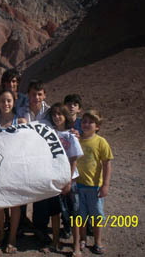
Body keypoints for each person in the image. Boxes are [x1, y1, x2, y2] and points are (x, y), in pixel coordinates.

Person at [45, 103, 84, 255]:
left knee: (74, 214)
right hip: (54, 179)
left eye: (60, 114)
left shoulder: (71, 135)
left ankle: (75, 245)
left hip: (70, 180)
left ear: (66, 116)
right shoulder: (49, 133)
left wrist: (68, 180)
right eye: (54, 114)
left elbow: (74, 159)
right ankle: (55, 241)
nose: (56, 117)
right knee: (55, 213)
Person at [0, 90, 27, 254]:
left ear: (13, 102)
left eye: (9, 101)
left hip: (15, 168)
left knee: (15, 205)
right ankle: (1, 231)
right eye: (2, 101)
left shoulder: (21, 121)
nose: (5, 104)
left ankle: (12, 237)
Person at [19, 80, 52, 246]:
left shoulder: (52, 113)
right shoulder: (20, 111)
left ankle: (40, 228)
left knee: (41, 195)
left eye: (39, 94)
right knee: (22, 192)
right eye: (33, 94)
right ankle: (20, 225)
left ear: (44, 95)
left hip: (43, 159)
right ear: (28, 95)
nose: (36, 97)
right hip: (23, 158)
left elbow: (62, 128)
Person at [76, 110, 113, 256]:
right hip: (78, 186)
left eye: (90, 122)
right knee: (81, 215)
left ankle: (98, 241)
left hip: (94, 187)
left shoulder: (101, 142)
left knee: (96, 216)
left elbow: (107, 164)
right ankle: (83, 239)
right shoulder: (76, 140)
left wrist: (105, 185)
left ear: (97, 126)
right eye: (84, 121)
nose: (86, 124)